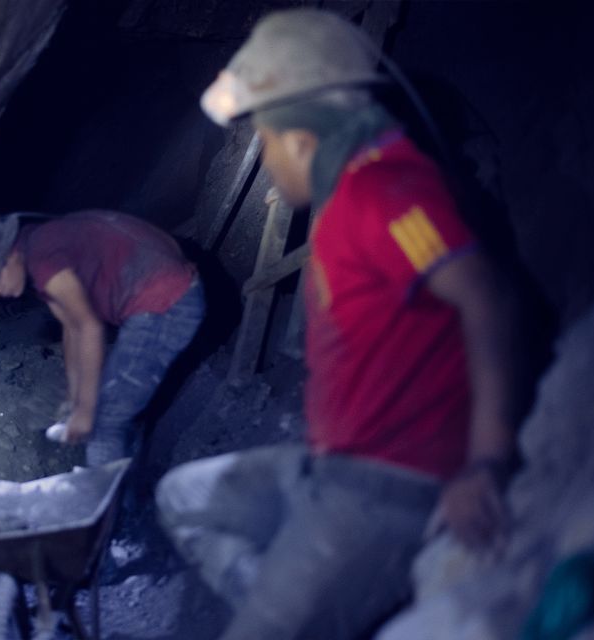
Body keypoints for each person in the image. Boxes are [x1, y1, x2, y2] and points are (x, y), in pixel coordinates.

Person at [155, 9, 521, 639]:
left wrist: (484, 463)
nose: (266, 159)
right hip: (329, 470)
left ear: (302, 136)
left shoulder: (387, 192)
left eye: (266, 138)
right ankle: (294, 605)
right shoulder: (348, 195)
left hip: (385, 491)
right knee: (182, 498)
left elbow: (487, 299)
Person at [0, 209, 205, 466]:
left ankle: (106, 508)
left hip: (169, 303)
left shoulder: (44, 258)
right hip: (159, 300)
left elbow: (90, 327)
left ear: (9, 256)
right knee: (113, 407)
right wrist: (73, 397)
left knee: (104, 422)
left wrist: (87, 409)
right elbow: (72, 328)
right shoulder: (36, 251)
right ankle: (127, 485)